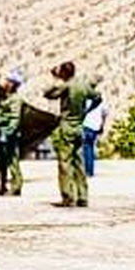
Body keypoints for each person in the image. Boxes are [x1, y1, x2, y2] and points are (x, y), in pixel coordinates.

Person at [44, 60, 100, 207]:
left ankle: (68, 196)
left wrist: (56, 80)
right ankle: (82, 196)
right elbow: (97, 97)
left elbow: (48, 94)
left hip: (66, 127)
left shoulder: (66, 86)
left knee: (65, 163)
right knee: (79, 163)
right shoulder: (83, 85)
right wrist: (86, 111)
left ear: (64, 73)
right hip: (79, 127)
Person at [0, 68, 25, 196]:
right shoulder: (5, 97)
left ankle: (16, 187)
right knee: (0, 161)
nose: (5, 83)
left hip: (10, 134)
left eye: (8, 81)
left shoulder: (16, 99)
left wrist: (8, 132)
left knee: (12, 160)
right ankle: (0, 186)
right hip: (1, 131)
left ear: (13, 84)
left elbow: (15, 118)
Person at [81, 94, 107, 177]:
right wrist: (102, 125)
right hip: (96, 126)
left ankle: (88, 171)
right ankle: (90, 170)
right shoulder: (101, 99)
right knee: (91, 147)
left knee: (87, 148)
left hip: (87, 125)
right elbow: (104, 113)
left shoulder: (85, 99)